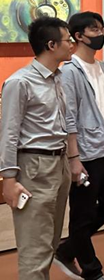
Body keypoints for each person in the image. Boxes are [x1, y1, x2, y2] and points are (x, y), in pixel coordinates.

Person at [0, 18, 74, 280]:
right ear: (51, 45)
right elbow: (8, 133)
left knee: (50, 242)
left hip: (59, 163)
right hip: (34, 166)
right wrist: (9, 179)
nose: (72, 45)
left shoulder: (57, 78)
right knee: (35, 249)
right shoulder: (20, 82)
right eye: (68, 40)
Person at [55, 12, 104, 280]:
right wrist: (74, 158)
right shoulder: (69, 72)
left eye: (102, 29)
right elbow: (69, 116)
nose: (100, 34)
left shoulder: (102, 67)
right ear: (78, 36)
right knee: (82, 214)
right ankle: (92, 270)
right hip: (85, 154)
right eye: (94, 29)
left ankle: (66, 249)